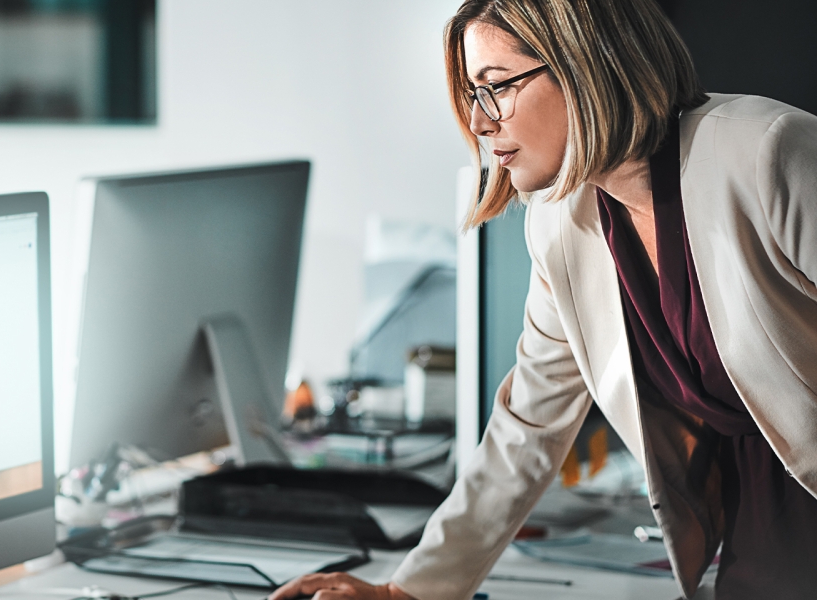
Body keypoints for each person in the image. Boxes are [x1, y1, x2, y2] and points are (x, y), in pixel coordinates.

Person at [269, 0, 817, 599]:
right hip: (762, 531)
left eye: (496, 87)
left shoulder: (768, 154)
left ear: (584, 65)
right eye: (472, 95)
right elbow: (528, 427)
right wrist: (407, 592)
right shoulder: (560, 221)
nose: (479, 123)